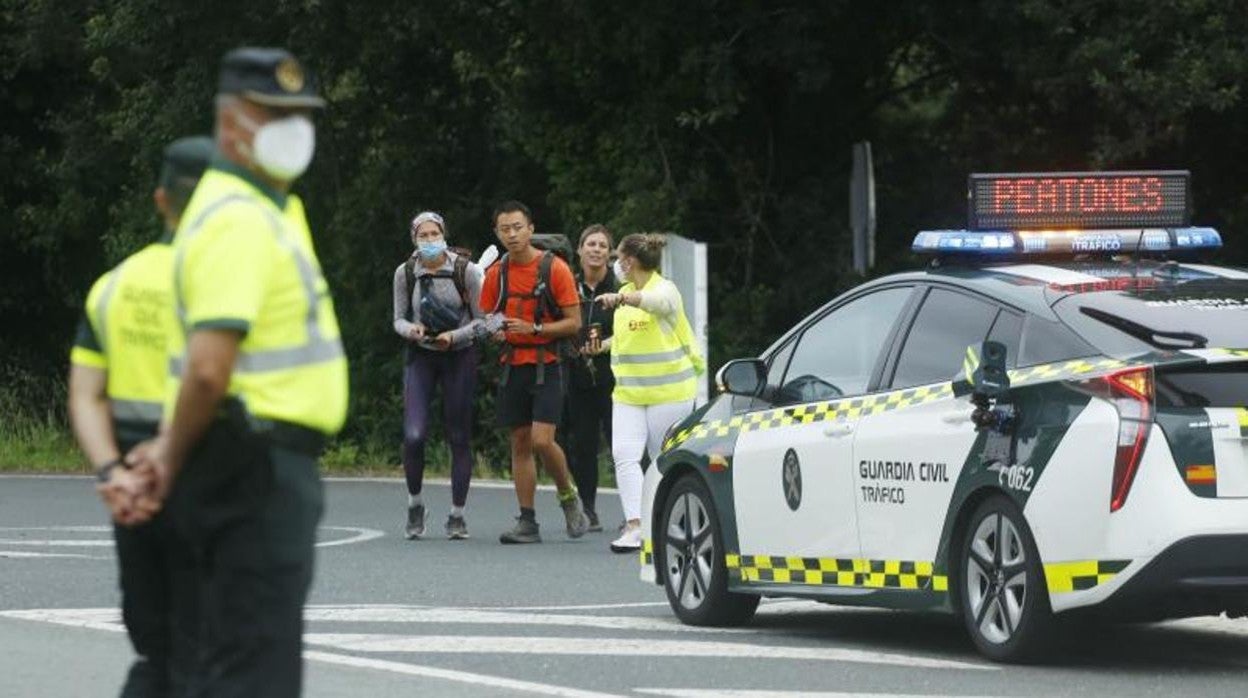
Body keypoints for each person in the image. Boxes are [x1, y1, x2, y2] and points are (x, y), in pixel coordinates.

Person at [124, 47, 348, 697]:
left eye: (301, 114)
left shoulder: (267, 207)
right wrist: (167, 452)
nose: (293, 128)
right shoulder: (238, 219)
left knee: (236, 664)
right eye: (273, 113)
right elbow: (207, 370)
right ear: (231, 126)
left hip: (252, 463)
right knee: (255, 674)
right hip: (253, 464)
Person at [67, 135, 214, 697]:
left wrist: (111, 472)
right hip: (204, 474)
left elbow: (85, 394)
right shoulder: (228, 286)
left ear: (160, 200)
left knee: (156, 650)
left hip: (132, 487)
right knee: (206, 648)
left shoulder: (113, 285)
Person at [479, 200, 589, 543]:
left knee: (543, 440)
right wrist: (495, 330)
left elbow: (574, 323)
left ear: (530, 228)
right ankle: (527, 521)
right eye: (504, 229)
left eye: (517, 227)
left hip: (549, 364)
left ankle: (568, 496)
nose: (512, 235)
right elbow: (487, 316)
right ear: (497, 233)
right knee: (520, 441)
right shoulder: (497, 274)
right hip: (513, 365)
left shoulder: (553, 268)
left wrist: (535, 329)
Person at [596, 233, 705, 553]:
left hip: (670, 392)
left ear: (629, 262)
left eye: (618, 257)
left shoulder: (664, 289)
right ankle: (636, 526)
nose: (616, 263)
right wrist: (599, 347)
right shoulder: (624, 292)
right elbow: (626, 339)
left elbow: (659, 305)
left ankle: (671, 524)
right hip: (629, 393)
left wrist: (624, 300)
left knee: (664, 459)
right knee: (624, 455)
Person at [392, 210, 485, 540]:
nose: (430, 241)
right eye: (423, 235)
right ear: (414, 239)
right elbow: (397, 319)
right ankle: (415, 504)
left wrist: (454, 337)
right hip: (421, 356)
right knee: (414, 434)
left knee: (458, 435)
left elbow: (482, 320)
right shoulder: (405, 272)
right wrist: (412, 330)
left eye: (434, 234)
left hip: (459, 356)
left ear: (444, 234)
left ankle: (457, 515)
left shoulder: (467, 272)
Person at [564, 224, 617, 532]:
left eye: (602, 245)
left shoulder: (621, 287)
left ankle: (636, 512)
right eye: (591, 244)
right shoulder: (568, 286)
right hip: (578, 376)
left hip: (616, 378)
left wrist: (604, 345)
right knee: (582, 445)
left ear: (609, 254)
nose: (596, 249)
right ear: (579, 250)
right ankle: (589, 509)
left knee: (621, 446)